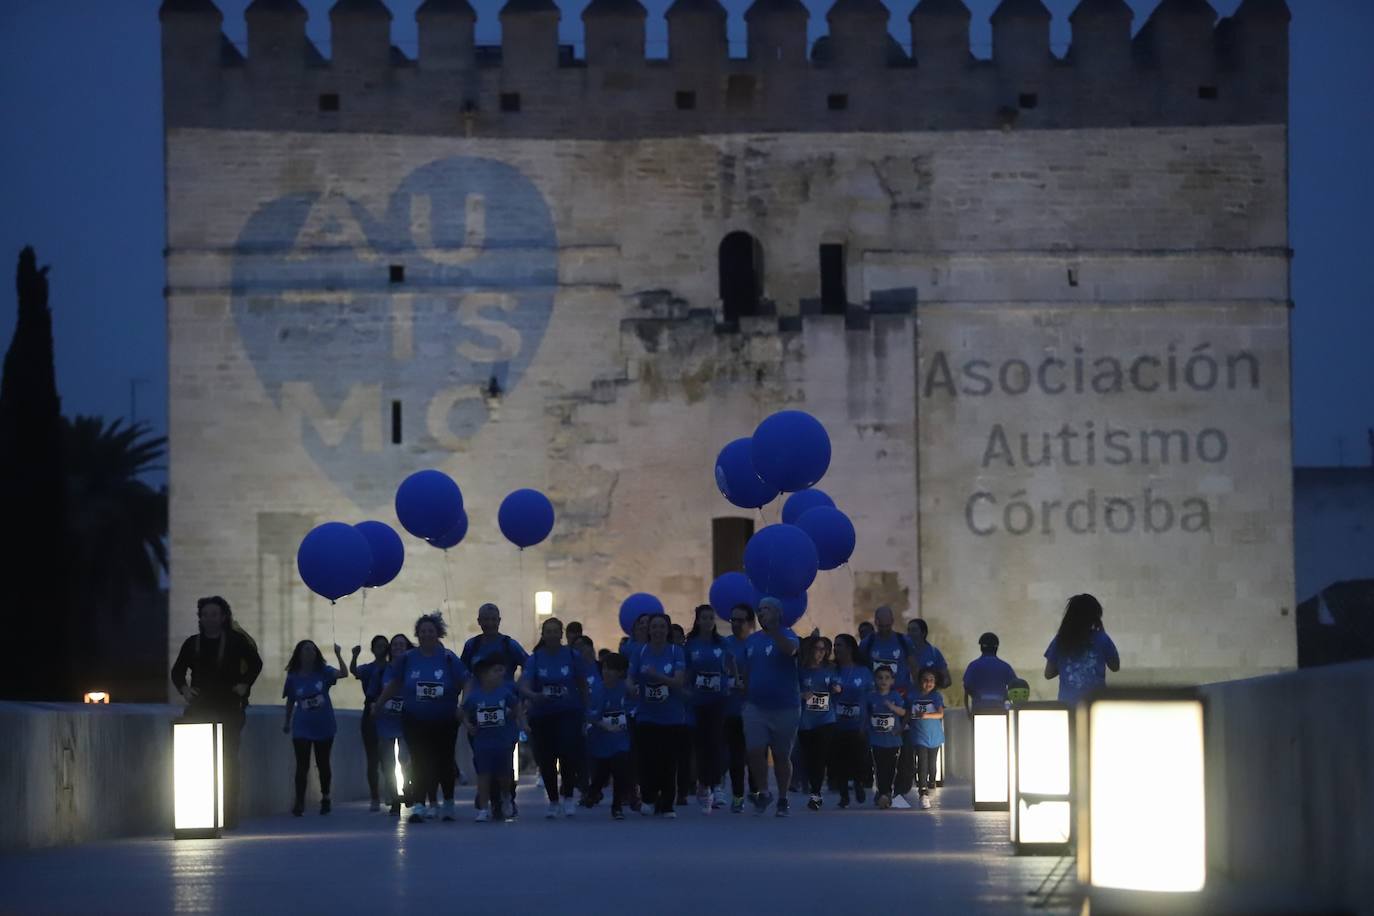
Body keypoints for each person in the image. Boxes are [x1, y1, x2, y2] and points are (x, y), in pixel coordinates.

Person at [170, 596, 263, 829]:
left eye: (214, 614)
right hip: (200, 706)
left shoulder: (235, 641)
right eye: (205, 615)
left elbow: (255, 664)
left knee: (228, 759)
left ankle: (228, 813)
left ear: (223, 617)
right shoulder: (193, 643)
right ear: (200, 618)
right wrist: (184, 689)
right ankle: (199, 810)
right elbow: (178, 671)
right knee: (198, 760)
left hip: (229, 706)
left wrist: (245, 684)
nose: (210, 619)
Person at [373, 612, 468, 823]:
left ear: (438, 634)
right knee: (418, 761)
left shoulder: (448, 657)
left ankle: (449, 804)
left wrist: (464, 704)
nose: (426, 635)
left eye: (430, 631)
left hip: (444, 720)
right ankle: (419, 805)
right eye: (423, 631)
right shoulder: (408, 659)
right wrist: (379, 704)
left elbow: (465, 681)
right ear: (417, 634)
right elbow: (395, 683)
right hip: (415, 719)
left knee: (444, 761)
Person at [521, 616, 590, 818]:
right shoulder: (535, 659)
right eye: (547, 631)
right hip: (542, 714)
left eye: (555, 631)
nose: (551, 634)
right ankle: (553, 800)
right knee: (546, 758)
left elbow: (583, 684)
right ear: (543, 634)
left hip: (568, 713)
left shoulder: (572, 656)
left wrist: (586, 711)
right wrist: (535, 696)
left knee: (568, 754)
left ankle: (568, 796)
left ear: (561, 634)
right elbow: (524, 685)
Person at [743, 597, 801, 817]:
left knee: (780, 755)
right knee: (754, 750)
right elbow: (748, 670)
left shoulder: (788, 634)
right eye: (759, 610)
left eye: (766, 609)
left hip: (785, 707)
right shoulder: (752, 641)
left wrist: (775, 631)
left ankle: (783, 798)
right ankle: (764, 791)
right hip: (756, 706)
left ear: (778, 613)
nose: (762, 613)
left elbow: (791, 650)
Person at [628, 612, 688, 817]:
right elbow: (630, 677)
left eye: (662, 627)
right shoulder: (640, 651)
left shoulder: (676, 652)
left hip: (671, 716)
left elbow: (679, 681)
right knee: (647, 759)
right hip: (646, 715)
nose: (658, 631)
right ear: (648, 630)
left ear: (667, 630)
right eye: (654, 627)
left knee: (669, 761)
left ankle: (668, 802)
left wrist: (658, 676)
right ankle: (648, 797)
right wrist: (632, 688)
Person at [281, 640, 345, 816]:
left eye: (312, 650)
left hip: (324, 724)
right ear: (299, 654)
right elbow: (290, 700)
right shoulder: (293, 676)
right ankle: (299, 801)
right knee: (302, 765)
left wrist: (339, 654)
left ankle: (325, 797)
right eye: (306, 649)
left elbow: (343, 674)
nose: (310, 653)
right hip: (302, 725)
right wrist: (287, 721)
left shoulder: (324, 672)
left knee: (323, 762)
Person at [462, 657, 524, 822]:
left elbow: (517, 706)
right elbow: (464, 712)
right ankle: (483, 808)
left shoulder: (505, 693)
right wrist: (469, 725)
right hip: (482, 743)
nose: (499, 675)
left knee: (504, 776)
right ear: (484, 675)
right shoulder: (475, 697)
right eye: (495, 671)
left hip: (502, 742)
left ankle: (506, 799)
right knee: (483, 776)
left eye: (500, 671)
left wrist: (516, 718)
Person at [684, 604, 728, 813]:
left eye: (712, 618)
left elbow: (728, 668)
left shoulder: (721, 644)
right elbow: (686, 673)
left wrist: (728, 683)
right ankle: (704, 784)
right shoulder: (690, 645)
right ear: (698, 620)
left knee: (716, 742)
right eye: (705, 618)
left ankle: (717, 784)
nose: (709, 621)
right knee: (701, 744)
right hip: (697, 701)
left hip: (717, 700)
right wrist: (688, 692)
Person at [582, 652, 633, 819]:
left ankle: (617, 806)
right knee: (602, 773)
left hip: (620, 739)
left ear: (620, 672)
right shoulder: (598, 689)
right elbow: (591, 715)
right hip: (601, 738)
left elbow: (632, 704)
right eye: (604, 668)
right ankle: (593, 792)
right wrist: (606, 726)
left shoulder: (624, 687)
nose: (607, 672)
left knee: (620, 770)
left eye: (611, 669)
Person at [1044, 593, 1120, 702]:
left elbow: (1048, 674)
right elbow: (1115, 666)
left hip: (1067, 705)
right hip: (1095, 705)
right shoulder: (1102, 638)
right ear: (1095, 617)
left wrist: (1065, 664)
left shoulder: (1060, 640)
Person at [829, 633, 873, 808]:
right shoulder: (832, 669)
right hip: (836, 723)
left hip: (858, 722)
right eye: (834, 645)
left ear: (849, 648)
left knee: (859, 758)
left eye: (839, 645)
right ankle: (844, 795)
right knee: (840, 760)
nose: (835, 649)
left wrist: (868, 720)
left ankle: (859, 783)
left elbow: (871, 695)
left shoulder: (863, 671)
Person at [797, 634, 840, 811]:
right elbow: (791, 691)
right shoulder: (800, 670)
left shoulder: (830, 669)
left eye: (824, 649)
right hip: (806, 721)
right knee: (808, 758)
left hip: (826, 719)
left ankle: (816, 794)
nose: (821, 653)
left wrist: (836, 688)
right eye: (817, 648)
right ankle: (812, 786)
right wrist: (801, 695)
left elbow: (837, 685)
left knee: (820, 756)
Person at [722, 603, 757, 814]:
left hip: (754, 710)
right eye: (733, 620)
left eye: (740, 620)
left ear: (750, 622)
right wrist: (730, 682)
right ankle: (737, 795)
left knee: (755, 754)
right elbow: (720, 672)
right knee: (735, 756)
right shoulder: (726, 645)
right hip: (732, 710)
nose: (736, 624)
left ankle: (757, 792)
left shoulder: (757, 645)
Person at [350, 634, 391, 811]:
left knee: (387, 758)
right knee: (373, 758)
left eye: (384, 646)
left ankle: (390, 791)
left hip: (388, 711)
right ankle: (375, 796)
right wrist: (354, 656)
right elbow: (354, 671)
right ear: (373, 649)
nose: (381, 649)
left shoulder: (391, 668)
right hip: (371, 711)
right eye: (378, 646)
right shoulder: (369, 669)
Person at [375, 634, 414, 816]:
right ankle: (394, 798)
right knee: (388, 762)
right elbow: (373, 692)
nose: (398, 648)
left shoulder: (413, 669)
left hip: (407, 721)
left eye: (402, 645)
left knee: (406, 758)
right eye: (395, 645)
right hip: (385, 722)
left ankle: (408, 785)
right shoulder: (383, 670)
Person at [866, 666, 908, 809]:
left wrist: (892, 707)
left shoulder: (895, 696)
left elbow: (903, 712)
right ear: (875, 680)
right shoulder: (871, 697)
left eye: (887, 677)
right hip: (876, 739)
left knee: (890, 768)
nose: (883, 680)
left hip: (892, 740)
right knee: (879, 767)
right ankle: (882, 791)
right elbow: (867, 715)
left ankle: (886, 792)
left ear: (892, 681)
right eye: (880, 677)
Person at [908, 667, 945, 809]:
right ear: (919, 681)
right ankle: (922, 790)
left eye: (931, 680)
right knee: (922, 762)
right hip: (919, 734)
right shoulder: (913, 696)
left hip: (934, 735)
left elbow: (940, 714)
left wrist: (926, 715)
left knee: (932, 764)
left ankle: (931, 781)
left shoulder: (936, 696)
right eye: (925, 680)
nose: (928, 683)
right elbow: (907, 713)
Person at [963, 632, 1017, 714]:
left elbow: (967, 688)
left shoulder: (973, 666)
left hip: (979, 710)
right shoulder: (1005, 667)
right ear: (997, 648)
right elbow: (1015, 688)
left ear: (981, 647)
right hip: (1001, 711)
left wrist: (969, 712)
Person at [905, 618, 951, 689]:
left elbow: (947, 680)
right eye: (908, 630)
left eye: (914, 630)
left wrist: (930, 686)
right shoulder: (902, 653)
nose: (909, 634)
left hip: (929, 698)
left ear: (923, 633)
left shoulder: (934, 653)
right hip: (907, 698)